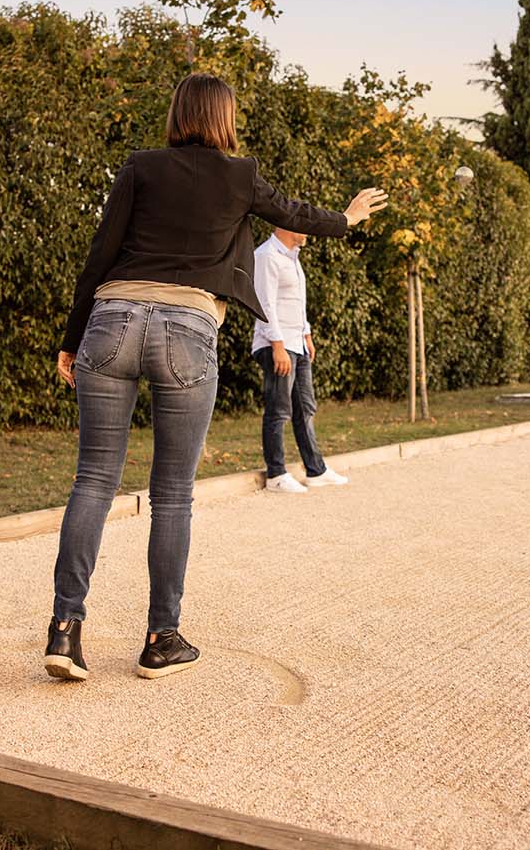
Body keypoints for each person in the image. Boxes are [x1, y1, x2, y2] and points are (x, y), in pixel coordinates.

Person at [47, 73, 386, 681]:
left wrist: (72, 338)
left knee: (93, 480)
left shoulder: (139, 167)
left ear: (177, 113)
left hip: (114, 317)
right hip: (186, 328)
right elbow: (294, 212)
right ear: (225, 118)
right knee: (172, 493)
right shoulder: (240, 175)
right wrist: (350, 216)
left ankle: (65, 630)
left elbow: (99, 253)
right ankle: (160, 639)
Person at [252, 228, 346, 493]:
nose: (308, 231)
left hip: (298, 343)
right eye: (303, 225)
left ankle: (316, 470)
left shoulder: (292, 256)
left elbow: (296, 302)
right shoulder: (267, 256)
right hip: (277, 345)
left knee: (305, 408)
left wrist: (307, 333)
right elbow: (264, 304)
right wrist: (277, 346)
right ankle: (276, 475)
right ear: (286, 226)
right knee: (279, 410)